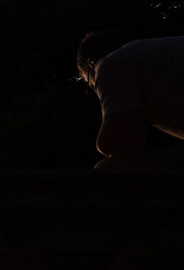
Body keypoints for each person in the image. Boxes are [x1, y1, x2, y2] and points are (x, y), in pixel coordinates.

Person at [76, 30, 184, 169]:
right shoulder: (148, 56)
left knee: (109, 167)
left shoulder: (111, 64)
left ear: (91, 64)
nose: (97, 91)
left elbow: (118, 141)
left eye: (91, 84)